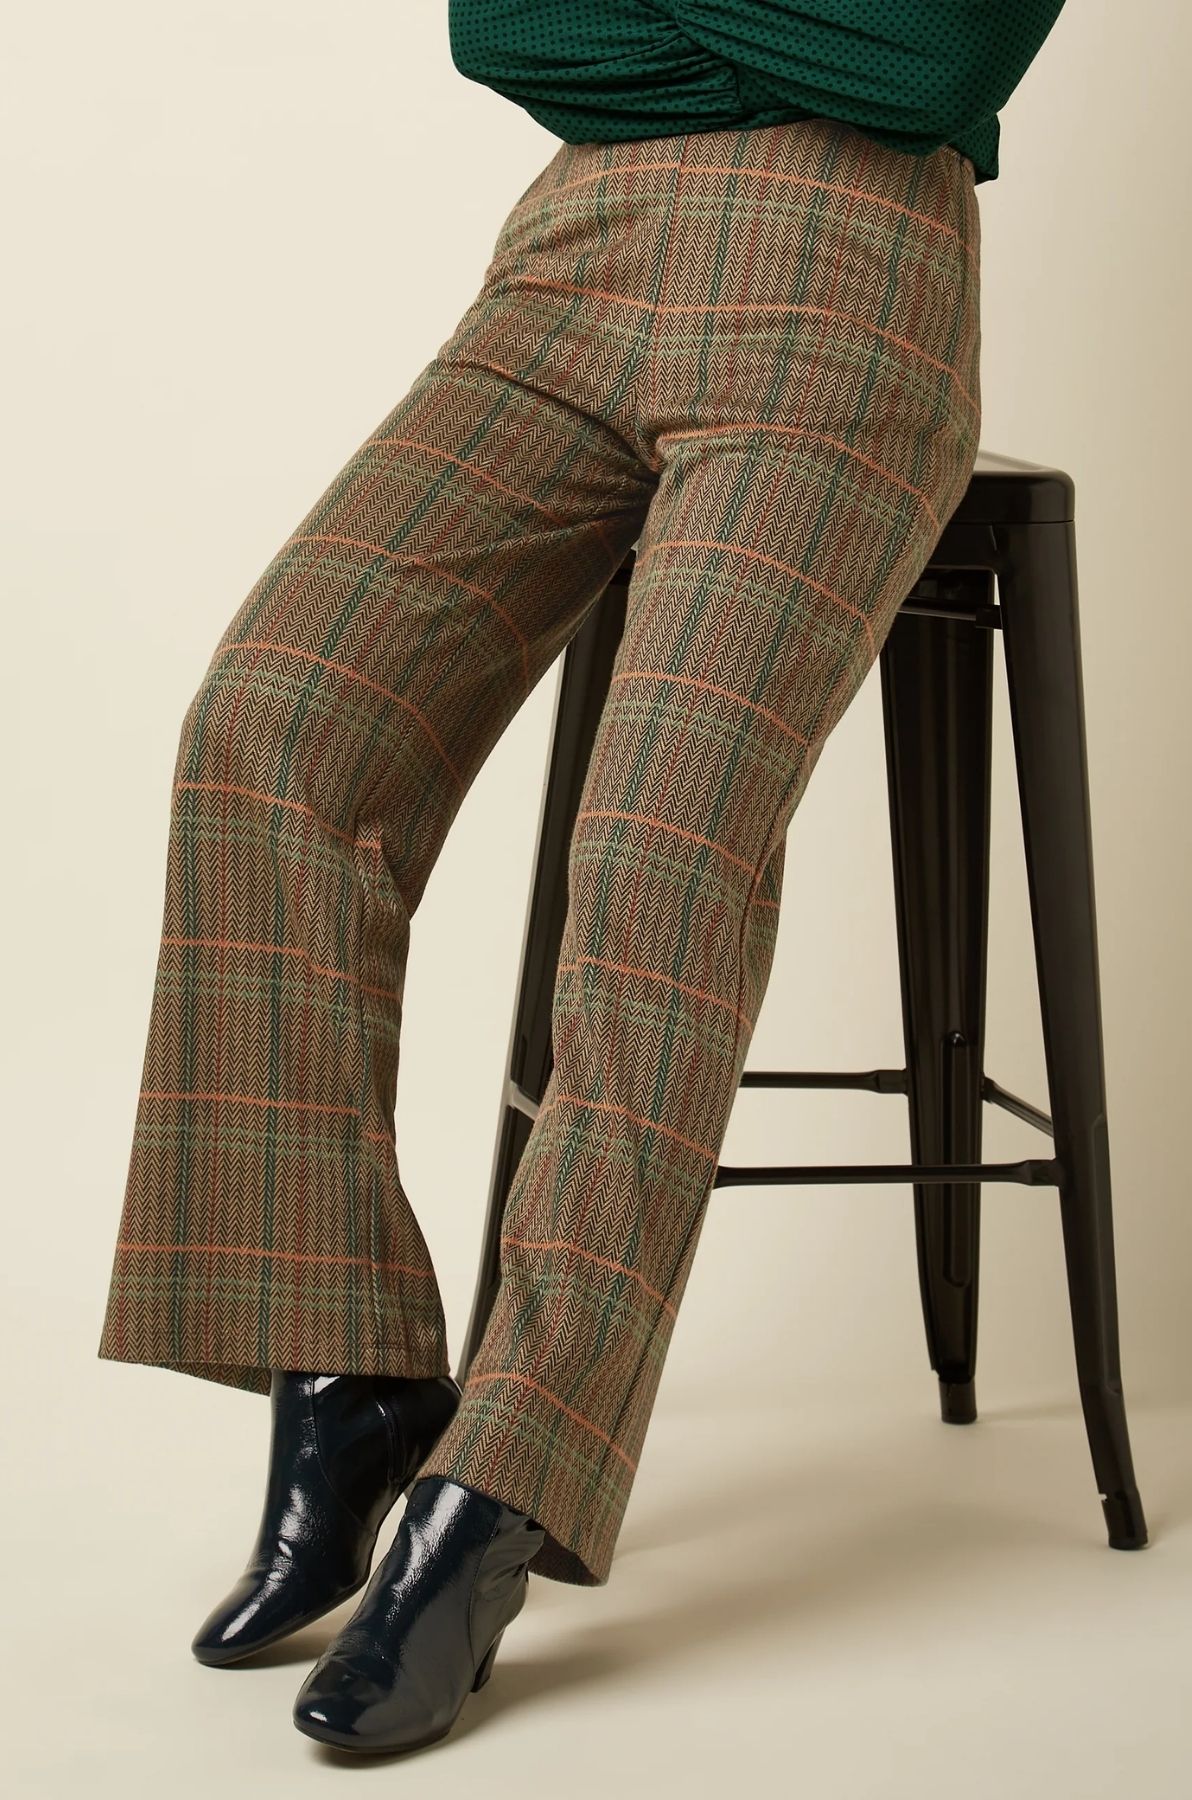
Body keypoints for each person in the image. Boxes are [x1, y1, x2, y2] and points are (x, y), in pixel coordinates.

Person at [96, 0, 1069, 1759]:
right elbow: (512, 27)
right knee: (276, 727)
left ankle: (504, 1488)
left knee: (656, 857)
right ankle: (346, 1369)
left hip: (853, 282)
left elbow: (933, 62)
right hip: (572, 257)